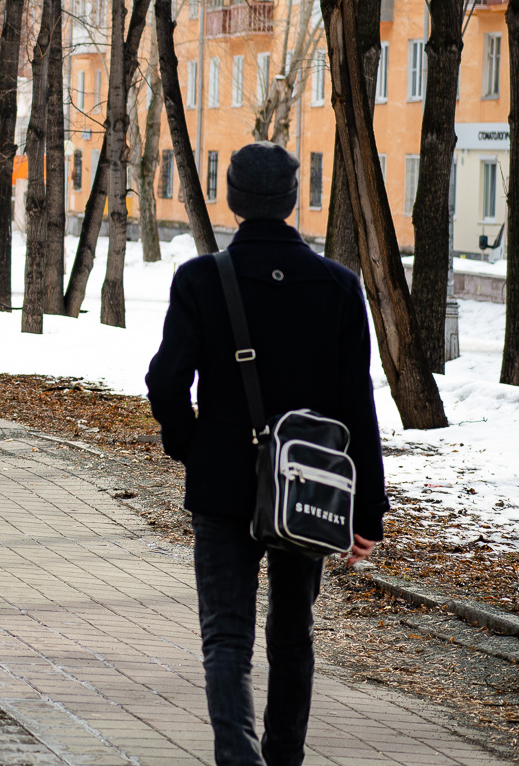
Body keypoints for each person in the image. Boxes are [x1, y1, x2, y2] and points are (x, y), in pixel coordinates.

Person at [146, 142, 385, 766]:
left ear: (233, 198)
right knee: (293, 633)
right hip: (306, 486)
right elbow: (356, 404)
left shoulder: (202, 278)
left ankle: (237, 757)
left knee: (226, 636)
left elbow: (167, 381)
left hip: (223, 483)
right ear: (289, 201)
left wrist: (190, 444)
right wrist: (367, 511)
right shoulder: (338, 285)